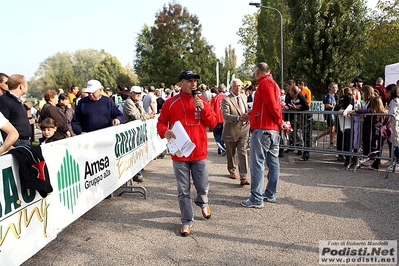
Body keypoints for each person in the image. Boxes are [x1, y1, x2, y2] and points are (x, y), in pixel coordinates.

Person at [157, 70, 217, 237]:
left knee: (202, 186)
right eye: (189, 81)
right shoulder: (170, 103)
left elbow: (213, 122)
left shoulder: (203, 101)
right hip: (180, 153)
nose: (193, 84)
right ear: (180, 84)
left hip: (199, 152)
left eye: (195, 81)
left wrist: (203, 109)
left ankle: (203, 202)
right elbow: (161, 123)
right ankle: (186, 221)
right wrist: (164, 131)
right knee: (183, 190)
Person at [241, 62, 282, 209]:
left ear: (257, 71)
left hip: (263, 129)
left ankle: (257, 198)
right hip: (272, 129)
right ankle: (270, 193)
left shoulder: (265, 84)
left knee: (257, 163)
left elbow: (272, 105)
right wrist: (251, 115)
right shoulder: (272, 84)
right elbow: (268, 106)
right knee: (273, 161)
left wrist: (279, 121)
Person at [221, 79, 250, 186]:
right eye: (236, 86)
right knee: (231, 153)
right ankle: (232, 170)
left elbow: (246, 110)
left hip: (244, 129)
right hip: (231, 130)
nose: (238, 88)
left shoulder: (244, 97)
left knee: (242, 152)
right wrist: (238, 118)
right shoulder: (226, 100)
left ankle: (243, 177)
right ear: (231, 87)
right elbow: (225, 115)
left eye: (240, 86)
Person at [123, 86, 154, 182]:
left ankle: (139, 170)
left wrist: (146, 116)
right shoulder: (129, 102)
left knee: (139, 151)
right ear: (131, 93)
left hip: (138, 132)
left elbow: (142, 113)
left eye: (140, 93)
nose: (138, 95)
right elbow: (136, 116)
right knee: (132, 153)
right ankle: (136, 173)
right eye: (136, 93)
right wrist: (148, 116)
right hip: (130, 132)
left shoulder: (139, 102)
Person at [0, 74, 32, 146]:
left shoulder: (17, 100)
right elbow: (3, 123)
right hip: (16, 142)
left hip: (24, 141)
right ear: (21, 86)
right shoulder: (4, 100)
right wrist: (8, 146)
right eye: (26, 85)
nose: (27, 87)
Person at [313, 82, 338, 149]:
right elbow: (327, 105)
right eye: (336, 88)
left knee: (332, 129)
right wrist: (335, 107)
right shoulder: (329, 95)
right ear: (331, 88)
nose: (337, 89)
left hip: (332, 114)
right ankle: (330, 143)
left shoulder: (333, 95)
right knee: (331, 129)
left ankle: (329, 142)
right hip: (330, 114)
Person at [210, 86, 226, 156]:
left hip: (217, 119)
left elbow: (211, 109)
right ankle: (221, 148)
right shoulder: (227, 97)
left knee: (217, 135)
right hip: (226, 119)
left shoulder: (215, 98)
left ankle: (222, 148)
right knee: (224, 135)